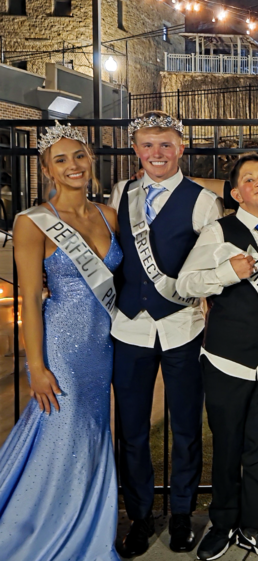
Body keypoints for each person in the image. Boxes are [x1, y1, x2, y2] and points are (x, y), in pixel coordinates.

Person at [0, 123, 122, 560]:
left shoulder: (109, 214)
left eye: (80, 156)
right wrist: (36, 366)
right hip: (63, 347)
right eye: (62, 159)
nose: (73, 166)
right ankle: (44, 530)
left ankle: (87, 520)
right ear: (47, 170)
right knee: (62, 430)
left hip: (104, 344)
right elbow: (31, 298)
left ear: (91, 161)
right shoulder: (32, 222)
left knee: (91, 432)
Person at [111, 110, 223, 557]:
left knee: (185, 429)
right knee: (132, 429)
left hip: (182, 327)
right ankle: (139, 516)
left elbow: (211, 270)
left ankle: (180, 513)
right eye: (147, 144)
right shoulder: (121, 192)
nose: (156, 153)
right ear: (136, 149)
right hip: (129, 327)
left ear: (181, 148)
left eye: (165, 144)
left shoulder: (202, 201)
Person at [177, 154, 258, 560]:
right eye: (249, 178)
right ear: (236, 193)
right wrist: (228, 273)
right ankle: (224, 521)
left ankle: (256, 524)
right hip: (227, 358)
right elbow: (186, 282)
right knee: (227, 444)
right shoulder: (219, 231)